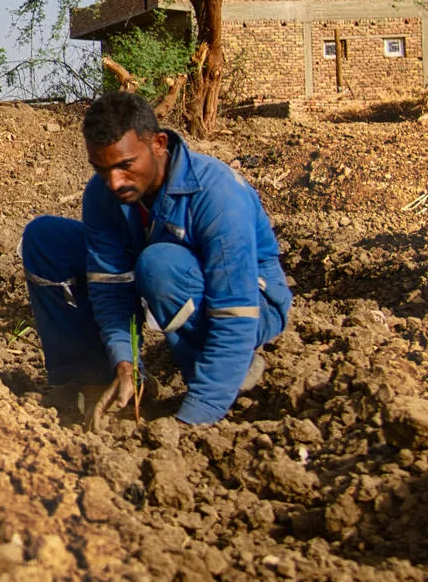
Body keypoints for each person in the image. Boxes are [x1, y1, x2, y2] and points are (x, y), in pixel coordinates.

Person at [21, 90, 290, 425]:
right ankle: (92, 380)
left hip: (252, 303)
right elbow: (111, 288)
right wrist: (124, 360)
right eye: (101, 169)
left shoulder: (218, 195)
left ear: (159, 144)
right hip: (163, 276)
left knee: (160, 265)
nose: (114, 182)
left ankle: (219, 376)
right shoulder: (102, 193)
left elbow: (235, 309)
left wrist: (193, 420)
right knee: (46, 238)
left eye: (125, 165)